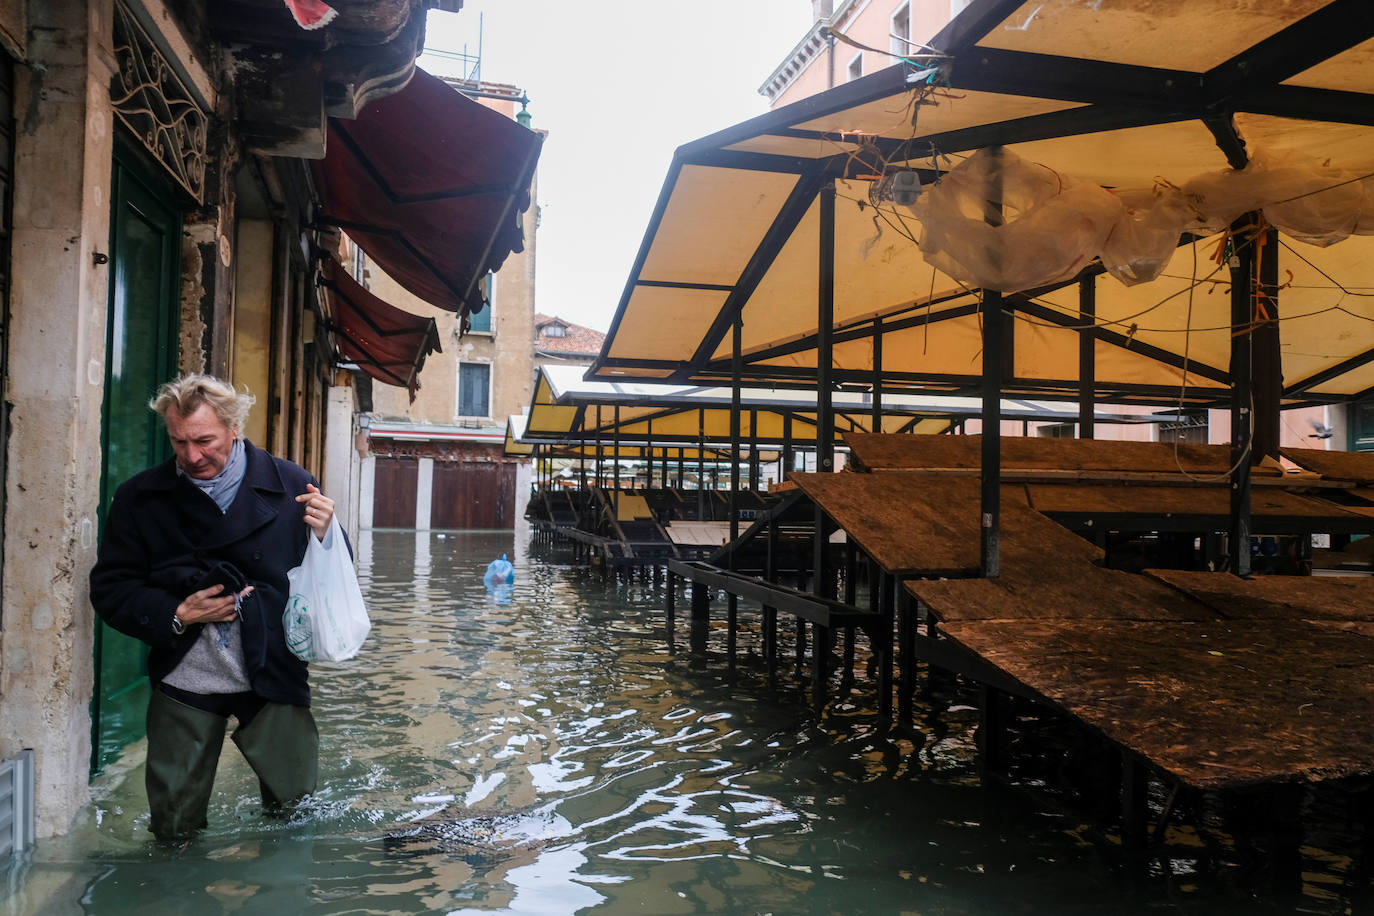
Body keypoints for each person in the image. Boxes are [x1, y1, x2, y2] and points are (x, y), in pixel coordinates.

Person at [90, 373, 338, 841]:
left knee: (296, 818)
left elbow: (329, 579)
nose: (191, 456)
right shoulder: (139, 497)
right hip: (185, 672)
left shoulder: (293, 484)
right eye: (178, 442)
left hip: (273, 668)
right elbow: (110, 588)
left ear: (234, 429)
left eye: (204, 441)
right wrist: (178, 615)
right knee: (173, 828)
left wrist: (327, 534)